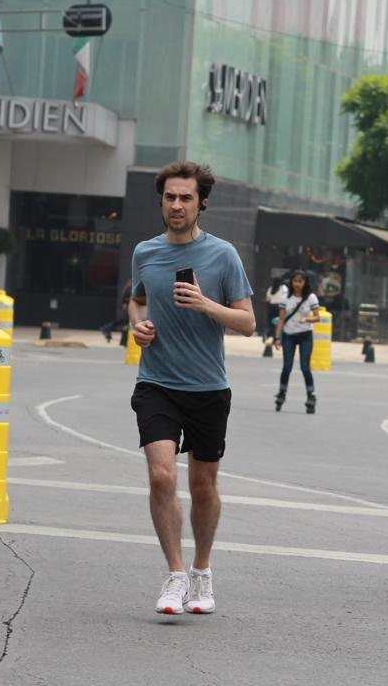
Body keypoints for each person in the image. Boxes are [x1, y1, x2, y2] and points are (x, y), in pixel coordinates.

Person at [128, 161, 255, 615]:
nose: (177, 205)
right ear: (161, 201)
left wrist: (205, 304)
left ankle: (202, 572)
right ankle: (175, 574)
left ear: (202, 202)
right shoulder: (145, 251)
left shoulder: (223, 256)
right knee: (162, 475)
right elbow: (137, 297)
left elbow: (247, 322)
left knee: (203, 486)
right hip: (156, 382)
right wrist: (138, 326)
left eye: (186, 197)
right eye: (170, 197)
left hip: (207, 388)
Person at [272, 270, 321, 413]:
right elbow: (281, 319)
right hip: (289, 335)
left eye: (300, 281)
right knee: (287, 366)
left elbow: (317, 317)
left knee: (305, 367)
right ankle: (281, 392)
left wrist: (306, 319)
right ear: (291, 282)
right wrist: (277, 338)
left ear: (305, 283)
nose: (297, 284)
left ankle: (311, 395)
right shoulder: (285, 298)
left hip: (306, 335)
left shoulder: (311, 297)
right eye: (295, 281)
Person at [262, 276, 289, 343]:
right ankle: (277, 338)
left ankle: (269, 336)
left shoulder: (271, 288)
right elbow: (287, 297)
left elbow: (268, 299)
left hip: (271, 307)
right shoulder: (283, 288)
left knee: (271, 323)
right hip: (280, 307)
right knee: (279, 322)